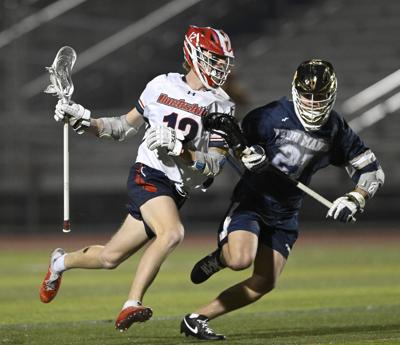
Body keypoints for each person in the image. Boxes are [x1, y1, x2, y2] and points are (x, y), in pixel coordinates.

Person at [39, 25, 236, 332]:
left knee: (109, 257)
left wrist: (180, 149)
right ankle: (132, 303)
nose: (221, 66)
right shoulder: (161, 85)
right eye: (215, 58)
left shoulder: (222, 104)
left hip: (176, 187)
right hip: (148, 173)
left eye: (224, 60)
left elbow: (213, 165)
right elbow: (119, 128)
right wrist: (83, 119)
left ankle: (59, 263)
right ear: (194, 54)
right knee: (172, 233)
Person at [180, 59, 385, 340]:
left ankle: (196, 318)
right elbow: (229, 150)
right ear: (295, 90)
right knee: (240, 259)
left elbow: (371, 170)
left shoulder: (335, 127)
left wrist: (355, 198)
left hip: (286, 212)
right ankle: (221, 257)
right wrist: (247, 156)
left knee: (264, 282)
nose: (313, 104)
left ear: (332, 95)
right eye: (307, 96)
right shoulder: (269, 116)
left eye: (320, 97)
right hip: (254, 201)